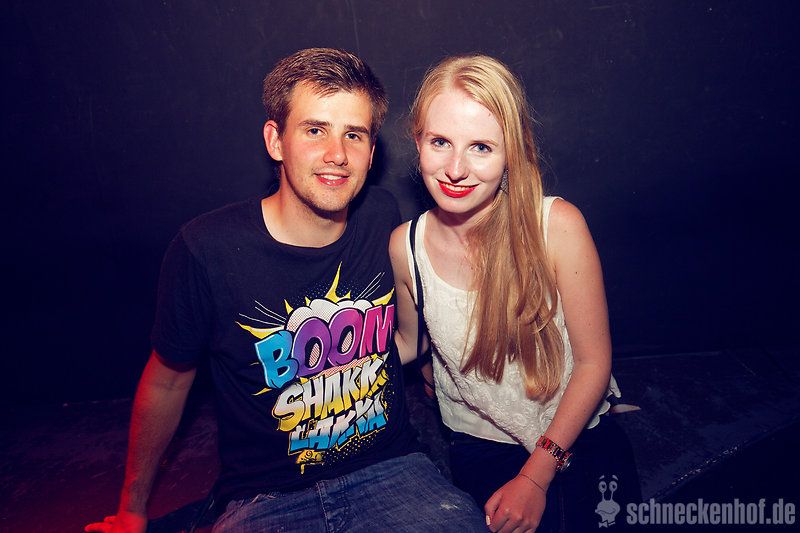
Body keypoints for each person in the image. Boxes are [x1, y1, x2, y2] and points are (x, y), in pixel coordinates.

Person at [86, 48, 488, 533]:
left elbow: (413, 325)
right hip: (265, 496)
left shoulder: (383, 217)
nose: (337, 154)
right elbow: (167, 382)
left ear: (371, 152)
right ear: (275, 141)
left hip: (390, 472)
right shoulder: (206, 249)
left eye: (354, 134)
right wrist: (132, 509)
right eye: (315, 130)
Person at [390, 54, 639, 533]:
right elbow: (410, 343)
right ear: (417, 141)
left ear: (511, 153)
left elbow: (594, 363)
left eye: (481, 147)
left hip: (574, 431)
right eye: (440, 142)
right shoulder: (406, 246)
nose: (456, 169)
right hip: (480, 443)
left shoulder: (557, 226)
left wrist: (536, 477)